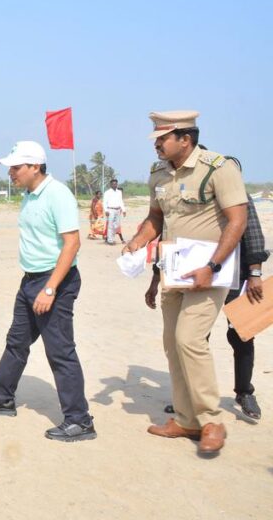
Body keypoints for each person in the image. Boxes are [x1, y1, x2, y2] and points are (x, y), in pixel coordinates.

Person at [122, 110, 248, 455]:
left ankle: (211, 420)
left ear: (185, 139)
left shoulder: (218, 168)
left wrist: (213, 264)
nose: (157, 145)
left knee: (189, 339)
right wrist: (137, 240)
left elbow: (238, 220)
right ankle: (186, 419)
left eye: (162, 139)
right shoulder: (158, 173)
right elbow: (156, 217)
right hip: (173, 271)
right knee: (172, 345)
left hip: (209, 273)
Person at [0, 141, 95, 441]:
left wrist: (50, 289)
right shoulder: (28, 195)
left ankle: (80, 419)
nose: (10, 173)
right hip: (31, 280)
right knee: (16, 341)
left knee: (60, 350)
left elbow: (72, 243)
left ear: (35, 167)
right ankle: (2, 398)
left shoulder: (58, 194)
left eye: (16, 167)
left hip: (55, 281)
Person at [145, 155, 265, 421]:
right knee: (195, 336)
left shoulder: (231, 192)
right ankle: (188, 400)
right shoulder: (190, 198)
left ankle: (244, 391)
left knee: (240, 335)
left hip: (234, 275)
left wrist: (255, 273)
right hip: (193, 275)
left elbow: (252, 232)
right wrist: (156, 278)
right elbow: (169, 238)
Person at [103, 178, 125, 245]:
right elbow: (104, 202)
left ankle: (110, 238)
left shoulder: (119, 192)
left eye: (116, 184)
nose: (115, 185)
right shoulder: (107, 192)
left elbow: (121, 201)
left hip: (118, 210)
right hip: (110, 210)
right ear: (111, 184)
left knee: (117, 225)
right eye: (113, 184)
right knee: (110, 225)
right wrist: (106, 210)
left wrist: (124, 210)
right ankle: (110, 240)